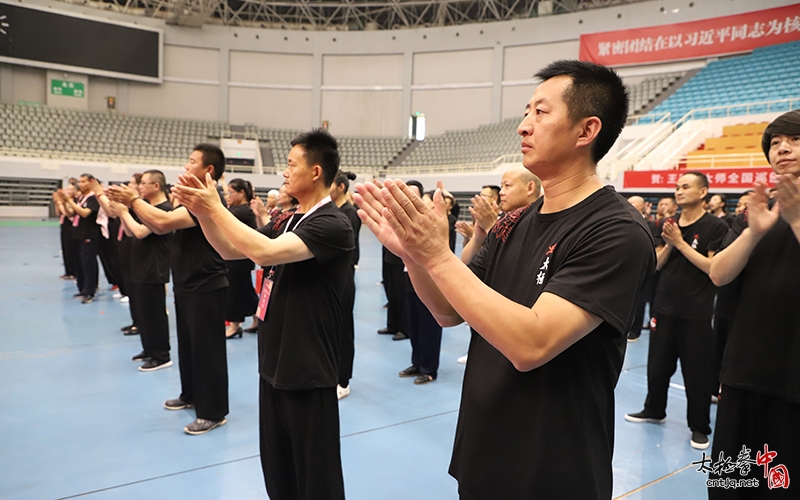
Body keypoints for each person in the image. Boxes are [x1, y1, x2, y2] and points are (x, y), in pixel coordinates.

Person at [355, 60, 654, 498]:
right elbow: (446, 310)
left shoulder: (615, 231)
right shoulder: (512, 223)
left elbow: (531, 344)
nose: (523, 126)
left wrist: (437, 254)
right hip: (484, 452)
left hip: (553, 470)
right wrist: (414, 256)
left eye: (540, 113)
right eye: (526, 111)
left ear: (586, 130)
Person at [171, 129, 353, 500]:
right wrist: (205, 212)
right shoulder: (287, 218)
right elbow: (228, 250)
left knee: (316, 479)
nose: (284, 172)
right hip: (272, 364)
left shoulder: (332, 223)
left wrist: (216, 206)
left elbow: (264, 253)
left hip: (308, 370)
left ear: (316, 172)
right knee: (278, 472)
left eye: (291, 164)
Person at [707, 110, 800, 498]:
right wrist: (753, 233)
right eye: (775, 143)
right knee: (733, 486)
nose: (782, 149)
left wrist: (795, 222)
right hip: (745, 373)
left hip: (793, 383)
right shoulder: (755, 213)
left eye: (793, 140)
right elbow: (718, 273)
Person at [107, 144, 230, 436]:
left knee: (207, 351)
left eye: (192, 162)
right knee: (188, 347)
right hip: (187, 283)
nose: (186, 167)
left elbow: (161, 224)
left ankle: (213, 411)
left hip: (207, 283)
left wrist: (133, 200)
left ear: (208, 170)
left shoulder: (210, 201)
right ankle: (190, 394)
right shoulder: (188, 198)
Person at [625, 172, 728, 450]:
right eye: (677, 187)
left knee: (697, 373)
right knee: (657, 366)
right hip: (664, 306)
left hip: (696, 311)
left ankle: (699, 427)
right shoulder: (667, 225)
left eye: (686, 186)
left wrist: (681, 243)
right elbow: (656, 264)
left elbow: (712, 269)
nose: (679, 191)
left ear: (703, 192)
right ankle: (654, 410)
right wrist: (670, 244)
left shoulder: (714, 226)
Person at [115, 170, 174, 371]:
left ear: (156, 186)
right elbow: (132, 231)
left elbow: (141, 232)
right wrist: (124, 211)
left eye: (144, 183)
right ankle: (149, 349)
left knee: (154, 313)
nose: (140, 187)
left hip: (153, 268)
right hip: (140, 266)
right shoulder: (148, 208)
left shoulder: (164, 209)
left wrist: (124, 211)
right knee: (144, 313)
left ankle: (161, 355)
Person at [330, 170, 360, 399]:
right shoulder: (333, 210)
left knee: (343, 329)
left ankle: (343, 379)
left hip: (344, 276)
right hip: (330, 277)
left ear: (341, 187)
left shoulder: (349, 213)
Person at [223, 178, 259, 339]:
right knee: (245, 290)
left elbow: (222, 217)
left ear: (241, 193)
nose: (227, 196)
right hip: (241, 257)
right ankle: (258, 319)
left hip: (238, 258)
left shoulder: (241, 211)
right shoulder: (239, 209)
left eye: (231, 192)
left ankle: (235, 324)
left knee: (234, 291)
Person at [625, 195, 661, 343]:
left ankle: (635, 330)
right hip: (624, 266)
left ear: (642, 206)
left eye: (634, 203)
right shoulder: (622, 220)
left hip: (639, 266)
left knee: (639, 301)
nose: (630, 205)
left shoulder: (648, 224)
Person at [64, 174, 101, 304]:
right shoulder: (80, 198)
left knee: (88, 263)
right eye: (80, 181)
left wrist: (69, 202)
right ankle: (82, 288)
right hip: (77, 234)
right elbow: (70, 213)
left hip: (88, 234)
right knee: (79, 263)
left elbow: (85, 213)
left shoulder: (93, 198)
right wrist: (63, 202)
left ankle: (90, 291)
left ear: (91, 182)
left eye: (84, 181)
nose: (80, 184)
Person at [54, 181, 77, 281]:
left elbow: (67, 213)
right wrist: (57, 203)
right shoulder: (66, 201)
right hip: (64, 225)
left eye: (71, 189)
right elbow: (59, 213)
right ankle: (68, 271)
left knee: (71, 249)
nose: (69, 191)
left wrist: (60, 202)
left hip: (71, 225)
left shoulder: (74, 201)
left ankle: (73, 271)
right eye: (68, 189)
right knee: (65, 248)